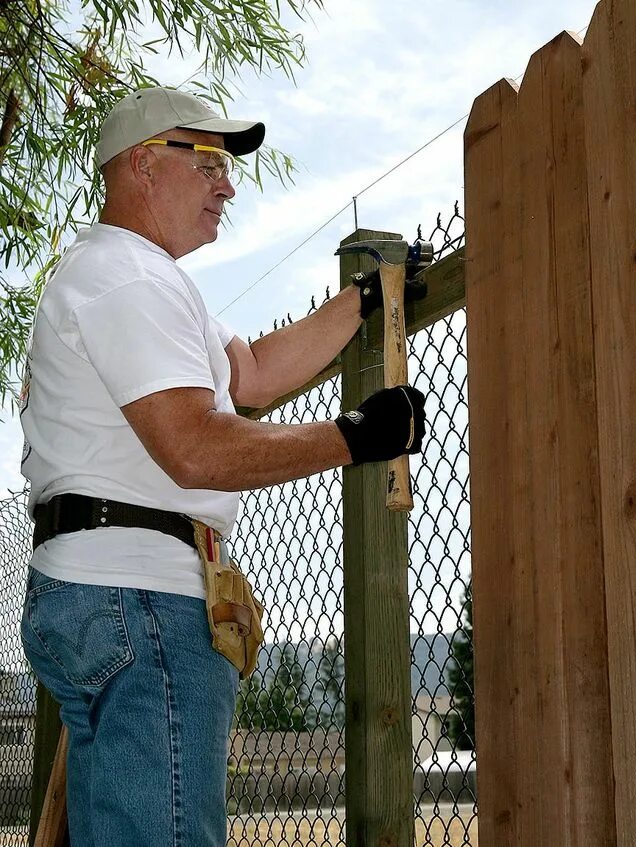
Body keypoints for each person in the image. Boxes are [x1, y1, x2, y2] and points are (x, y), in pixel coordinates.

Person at [18, 86, 427, 847]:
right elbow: (196, 446)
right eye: (208, 160)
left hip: (106, 595)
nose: (228, 184)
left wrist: (365, 300)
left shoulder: (143, 282)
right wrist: (356, 435)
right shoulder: (126, 280)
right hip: (141, 602)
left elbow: (255, 375)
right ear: (143, 164)